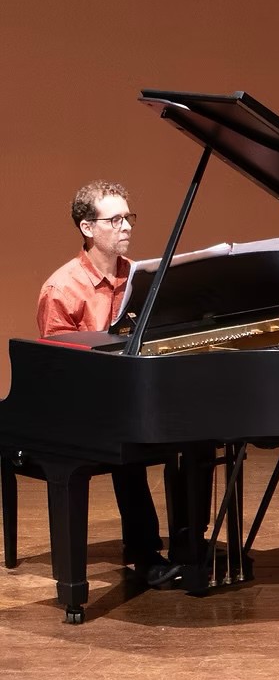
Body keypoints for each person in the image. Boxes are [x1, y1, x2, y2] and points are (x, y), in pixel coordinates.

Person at [35, 180, 188, 589]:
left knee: (195, 428)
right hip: (80, 405)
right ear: (87, 228)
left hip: (128, 393)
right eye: (115, 219)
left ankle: (188, 542)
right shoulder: (62, 288)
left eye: (128, 217)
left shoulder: (139, 278)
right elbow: (59, 370)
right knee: (128, 436)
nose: (126, 226)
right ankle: (145, 554)